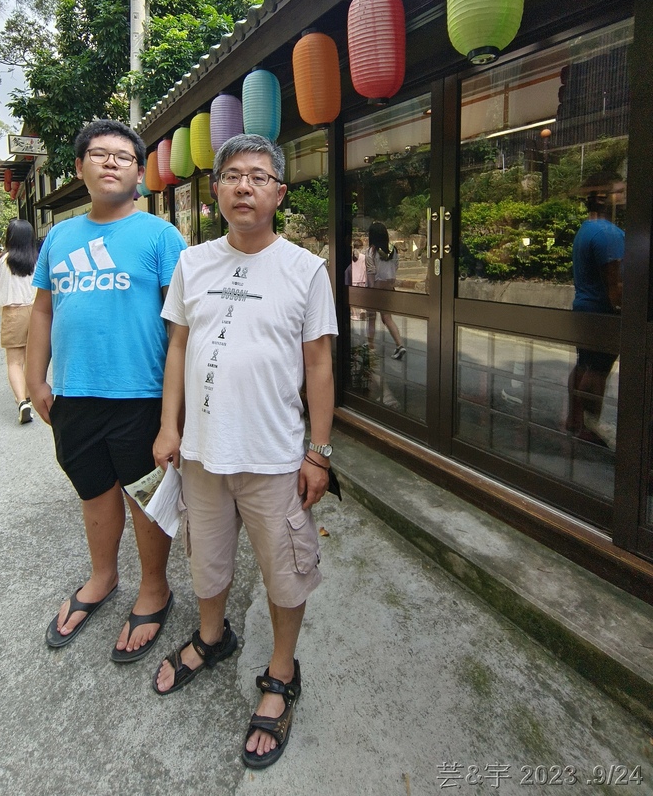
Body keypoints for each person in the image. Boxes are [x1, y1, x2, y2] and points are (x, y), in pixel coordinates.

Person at [152, 133, 338, 770]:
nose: (243, 187)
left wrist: (318, 452)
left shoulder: (304, 269)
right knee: (205, 555)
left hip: (275, 455)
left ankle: (281, 670)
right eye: (232, 176)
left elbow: (318, 363)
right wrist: (168, 426)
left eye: (258, 177)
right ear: (217, 191)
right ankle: (212, 636)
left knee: (285, 566)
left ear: (279, 193)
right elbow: (177, 347)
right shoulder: (193, 263)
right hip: (202, 453)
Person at [26, 118, 186, 661]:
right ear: (80, 167)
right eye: (99, 154)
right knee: (92, 491)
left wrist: (172, 417)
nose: (111, 162)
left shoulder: (161, 236)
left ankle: (154, 587)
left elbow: (180, 329)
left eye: (123, 156)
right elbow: (44, 310)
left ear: (140, 173)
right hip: (75, 396)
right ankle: (102, 577)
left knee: (146, 500)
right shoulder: (61, 238)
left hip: (140, 395)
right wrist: (34, 379)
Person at [567, 175, 625, 446]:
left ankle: (574, 420)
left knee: (584, 364)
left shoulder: (586, 229)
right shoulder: (608, 234)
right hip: (602, 313)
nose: (623, 195)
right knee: (598, 370)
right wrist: (624, 312)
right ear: (605, 198)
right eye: (619, 191)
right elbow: (615, 284)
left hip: (583, 307)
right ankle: (589, 427)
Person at [0, 219, 38, 423]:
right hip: (38, 312)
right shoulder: (37, 260)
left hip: (13, 313)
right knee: (34, 359)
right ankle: (30, 397)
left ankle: (22, 402)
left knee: (15, 361)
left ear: (9, 237)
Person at [365, 221, 406, 360]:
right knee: (387, 317)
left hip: (376, 286)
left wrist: (370, 292)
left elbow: (371, 272)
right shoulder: (393, 249)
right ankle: (400, 345)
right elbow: (396, 266)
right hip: (389, 286)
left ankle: (370, 347)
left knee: (372, 318)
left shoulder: (371, 251)